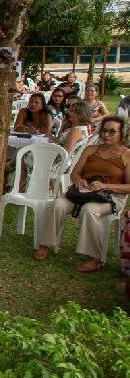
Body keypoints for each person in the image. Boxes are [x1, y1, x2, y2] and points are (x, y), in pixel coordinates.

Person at [33, 116, 130, 272]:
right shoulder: (91, 150)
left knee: (90, 210)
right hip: (84, 192)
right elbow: (75, 173)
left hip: (110, 196)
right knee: (58, 204)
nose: (107, 135)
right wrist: (79, 181)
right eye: (104, 131)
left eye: (112, 132)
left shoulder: (127, 155)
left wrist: (106, 186)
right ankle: (44, 244)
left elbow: (128, 186)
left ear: (122, 133)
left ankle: (95, 258)